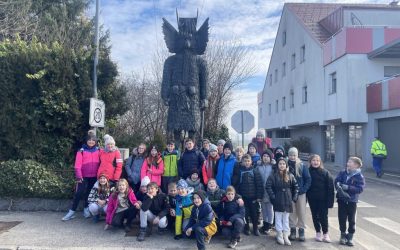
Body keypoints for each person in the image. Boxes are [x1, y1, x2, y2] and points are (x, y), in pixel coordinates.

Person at [62, 132, 100, 221]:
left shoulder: (99, 150)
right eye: (89, 140)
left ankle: (86, 209)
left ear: (95, 141)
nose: (91, 142)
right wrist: (79, 176)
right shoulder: (81, 151)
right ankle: (71, 211)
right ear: (86, 141)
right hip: (83, 176)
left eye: (93, 140)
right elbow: (77, 165)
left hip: (94, 176)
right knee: (78, 193)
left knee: (90, 193)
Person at [266, 157, 299, 246]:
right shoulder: (273, 175)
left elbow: (296, 187)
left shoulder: (290, 175)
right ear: (277, 165)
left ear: (286, 165)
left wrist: (294, 196)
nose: (282, 165)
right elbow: (268, 186)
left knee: (286, 219)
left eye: (283, 164)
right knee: (278, 218)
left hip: (287, 200)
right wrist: (273, 197)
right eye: (280, 164)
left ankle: (286, 235)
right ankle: (279, 235)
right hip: (278, 199)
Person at [334, 157, 365, 247]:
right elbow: (336, 181)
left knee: (352, 220)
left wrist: (348, 187)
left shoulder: (359, 176)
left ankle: (350, 237)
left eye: (350, 162)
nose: (348, 163)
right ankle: (342, 235)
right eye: (348, 161)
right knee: (342, 218)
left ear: (356, 165)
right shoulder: (343, 172)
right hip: (342, 200)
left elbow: (360, 189)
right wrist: (338, 185)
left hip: (352, 201)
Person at [232, 154, 263, 236]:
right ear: (242, 162)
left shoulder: (255, 170)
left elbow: (259, 184)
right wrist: (238, 196)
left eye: (248, 161)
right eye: (245, 161)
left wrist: (259, 196)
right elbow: (237, 185)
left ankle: (256, 228)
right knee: (245, 214)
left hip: (253, 197)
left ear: (251, 162)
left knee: (254, 214)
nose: (247, 163)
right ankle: (247, 228)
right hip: (243, 197)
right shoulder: (240, 171)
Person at [307, 154, 334, 243]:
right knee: (315, 216)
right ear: (310, 162)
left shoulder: (325, 172)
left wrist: (330, 202)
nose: (315, 162)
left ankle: (325, 234)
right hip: (312, 199)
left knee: (323, 217)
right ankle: (318, 232)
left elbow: (330, 188)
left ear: (320, 162)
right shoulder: (307, 172)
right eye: (314, 160)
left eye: (317, 161)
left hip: (323, 199)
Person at [287, 147, 311, 241]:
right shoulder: (286, 165)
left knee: (301, 211)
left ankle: (301, 230)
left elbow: (308, 179)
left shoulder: (302, 165)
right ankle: (293, 230)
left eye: (294, 155)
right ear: (288, 155)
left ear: (297, 156)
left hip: (301, 193)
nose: (292, 157)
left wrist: (303, 190)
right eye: (291, 155)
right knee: (291, 212)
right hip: (290, 193)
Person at [256, 150, 274, 234]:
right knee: (263, 209)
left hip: (270, 191)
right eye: (264, 156)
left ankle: (269, 225)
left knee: (270, 209)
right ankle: (265, 224)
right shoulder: (259, 166)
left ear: (270, 158)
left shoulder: (273, 167)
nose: (265, 158)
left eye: (267, 156)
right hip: (261, 190)